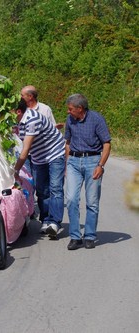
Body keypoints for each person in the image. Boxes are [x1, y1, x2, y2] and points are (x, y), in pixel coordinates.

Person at [12, 99, 65, 239]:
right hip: (39, 157)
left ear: (18, 111)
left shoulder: (32, 120)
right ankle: (46, 220)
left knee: (55, 187)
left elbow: (25, 150)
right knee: (41, 189)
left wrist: (15, 171)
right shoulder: (17, 119)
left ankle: (55, 222)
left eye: (8, 112)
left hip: (55, 153)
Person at [64, 94, 111, 250]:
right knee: (71, 199)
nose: (68, 111)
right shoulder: (69, 120)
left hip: (93, 162)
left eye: (71, 109)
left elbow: (106, 144)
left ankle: (90, 235)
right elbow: (68, 143)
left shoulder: (97, 119)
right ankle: (75, 237)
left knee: (92, 201)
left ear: (80, 108)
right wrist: (67, 164)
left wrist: (101, 165)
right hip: (74, 162)